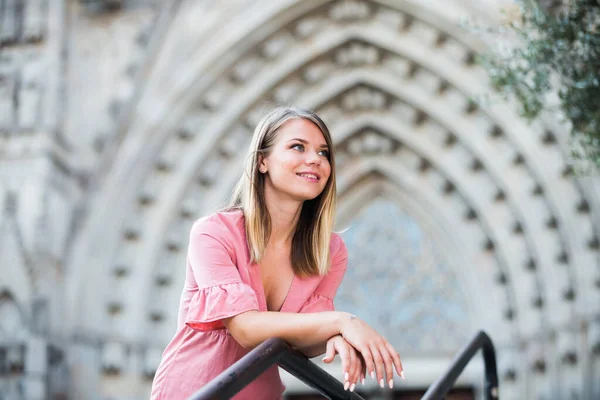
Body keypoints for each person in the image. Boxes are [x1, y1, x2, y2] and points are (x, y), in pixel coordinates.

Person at [150, 107, 404, 400]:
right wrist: (344, 322)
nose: (315, 160)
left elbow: (305, 343)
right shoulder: (213, 232)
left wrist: (335, 337)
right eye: (298, 147)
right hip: (197, 390)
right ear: (262, 161)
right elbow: (245, 327)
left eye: (324, 153)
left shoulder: (330, 251)